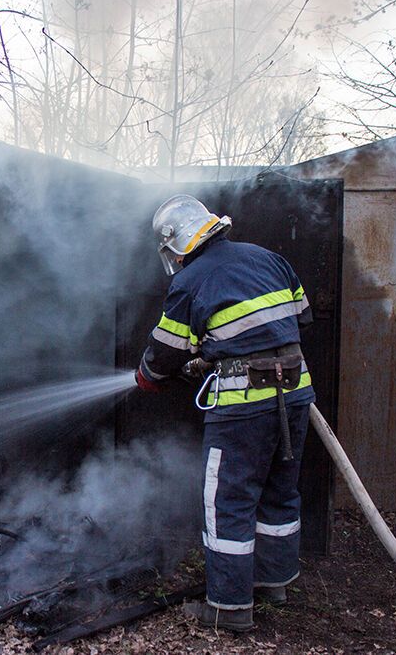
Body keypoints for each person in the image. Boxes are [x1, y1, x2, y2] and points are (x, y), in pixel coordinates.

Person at [134, 194, 315, 632]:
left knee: (227, 502)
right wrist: (217, 349)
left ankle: (230, 608)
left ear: (173, 245)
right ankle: (274, 583)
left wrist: (148, 374)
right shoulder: (269, 258)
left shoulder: (189, 281)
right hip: (294, 394)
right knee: (279, 491)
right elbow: (302, 319)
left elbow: (165, 353)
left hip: (243, 407)